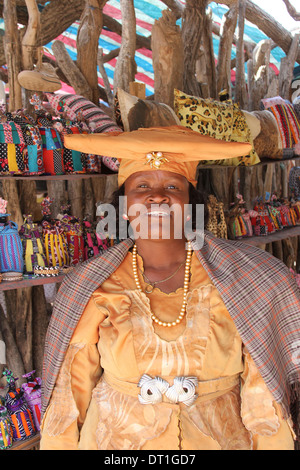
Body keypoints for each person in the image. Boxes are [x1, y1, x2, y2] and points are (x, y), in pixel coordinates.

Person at [40, 126, 299, 450]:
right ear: (123, 206)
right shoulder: (93, 285)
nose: (157, 196)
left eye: (173, 186)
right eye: (142, 185)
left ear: (191, 203)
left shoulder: (245, 281)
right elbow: (68, 393)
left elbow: (264, 398)